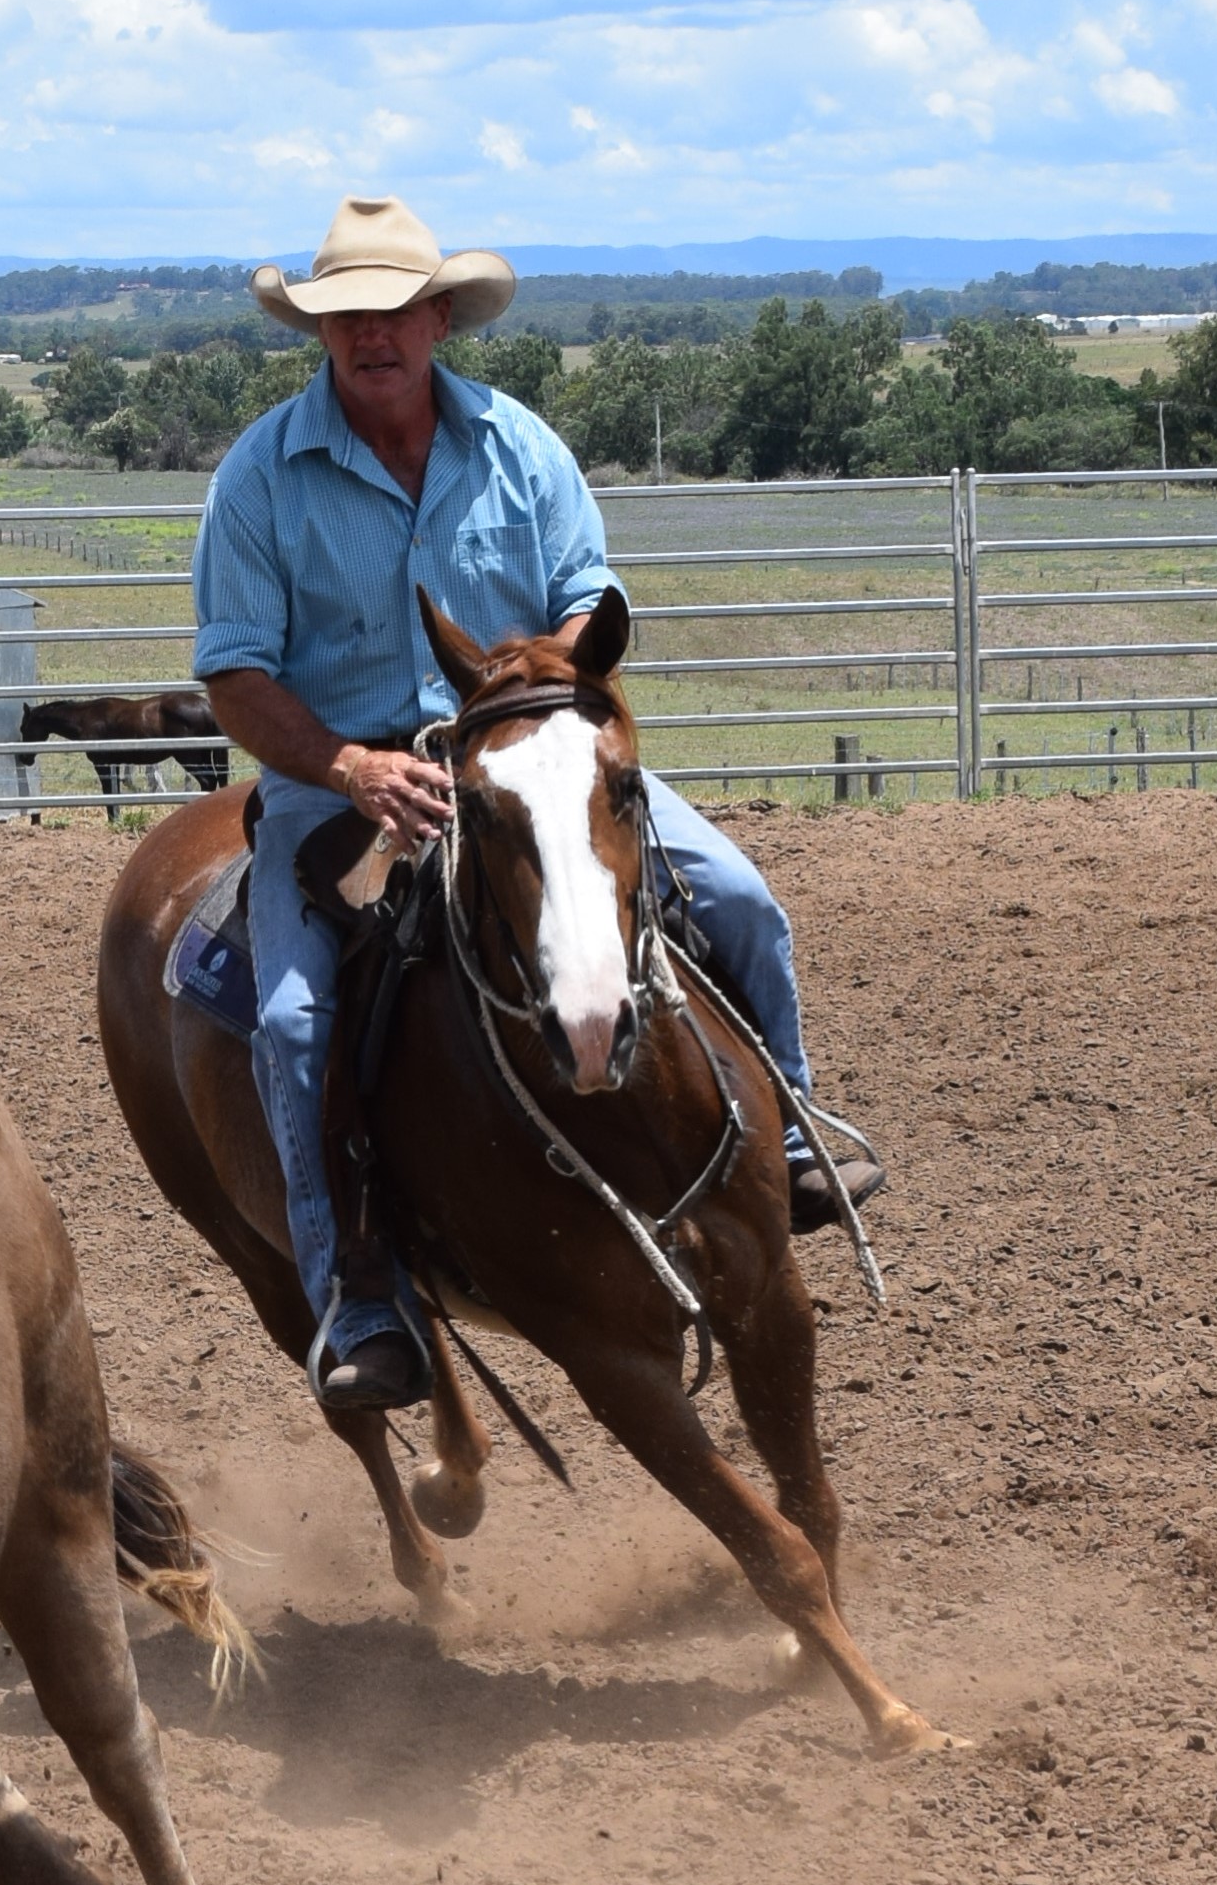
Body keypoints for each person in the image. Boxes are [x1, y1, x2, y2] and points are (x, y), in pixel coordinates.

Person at [192, 195, 882, 1414]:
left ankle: (788, 1135)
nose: (370, 335)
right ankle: (358, 1291)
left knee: (739, 898)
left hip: (526, 755)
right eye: (346, 316)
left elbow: (584, 592)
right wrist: (350, 769)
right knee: (294, 1025)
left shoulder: (521, 448)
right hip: (346, 782)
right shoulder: (260, 477)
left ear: (439, 319)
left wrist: (537, 695)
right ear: (319, 331)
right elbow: (234, 672)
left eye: (394, 312)